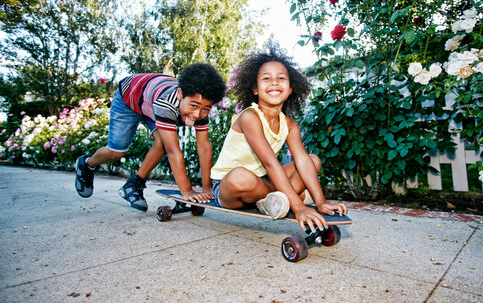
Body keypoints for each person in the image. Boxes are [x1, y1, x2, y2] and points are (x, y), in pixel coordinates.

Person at [210, 46, 348, 232]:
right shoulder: (250, 117)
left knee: (312, 160)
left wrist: (320, 202)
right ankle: (291, 197)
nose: (274, 82)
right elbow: (270, 163)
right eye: (266, 78)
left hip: (264, 180)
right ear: (255, 89)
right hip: (228, 187)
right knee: (240, 176)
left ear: (291, 89)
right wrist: (299, 208)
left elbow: (302, 161)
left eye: (281, 78)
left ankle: (278, 199)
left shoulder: (290, 125)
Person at [75, 63, 226, 212]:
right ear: (180, 95)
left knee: (161, 142)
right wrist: (187, 191)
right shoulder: (166, 104)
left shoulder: (200, 105)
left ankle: (133, 185)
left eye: (206, 109)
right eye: (193, 106)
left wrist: (207, 187)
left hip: (150, 98)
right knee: (116, 152)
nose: (197, 115)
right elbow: (173, 151)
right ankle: (86, 163)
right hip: (129, 98)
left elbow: (204, 148)